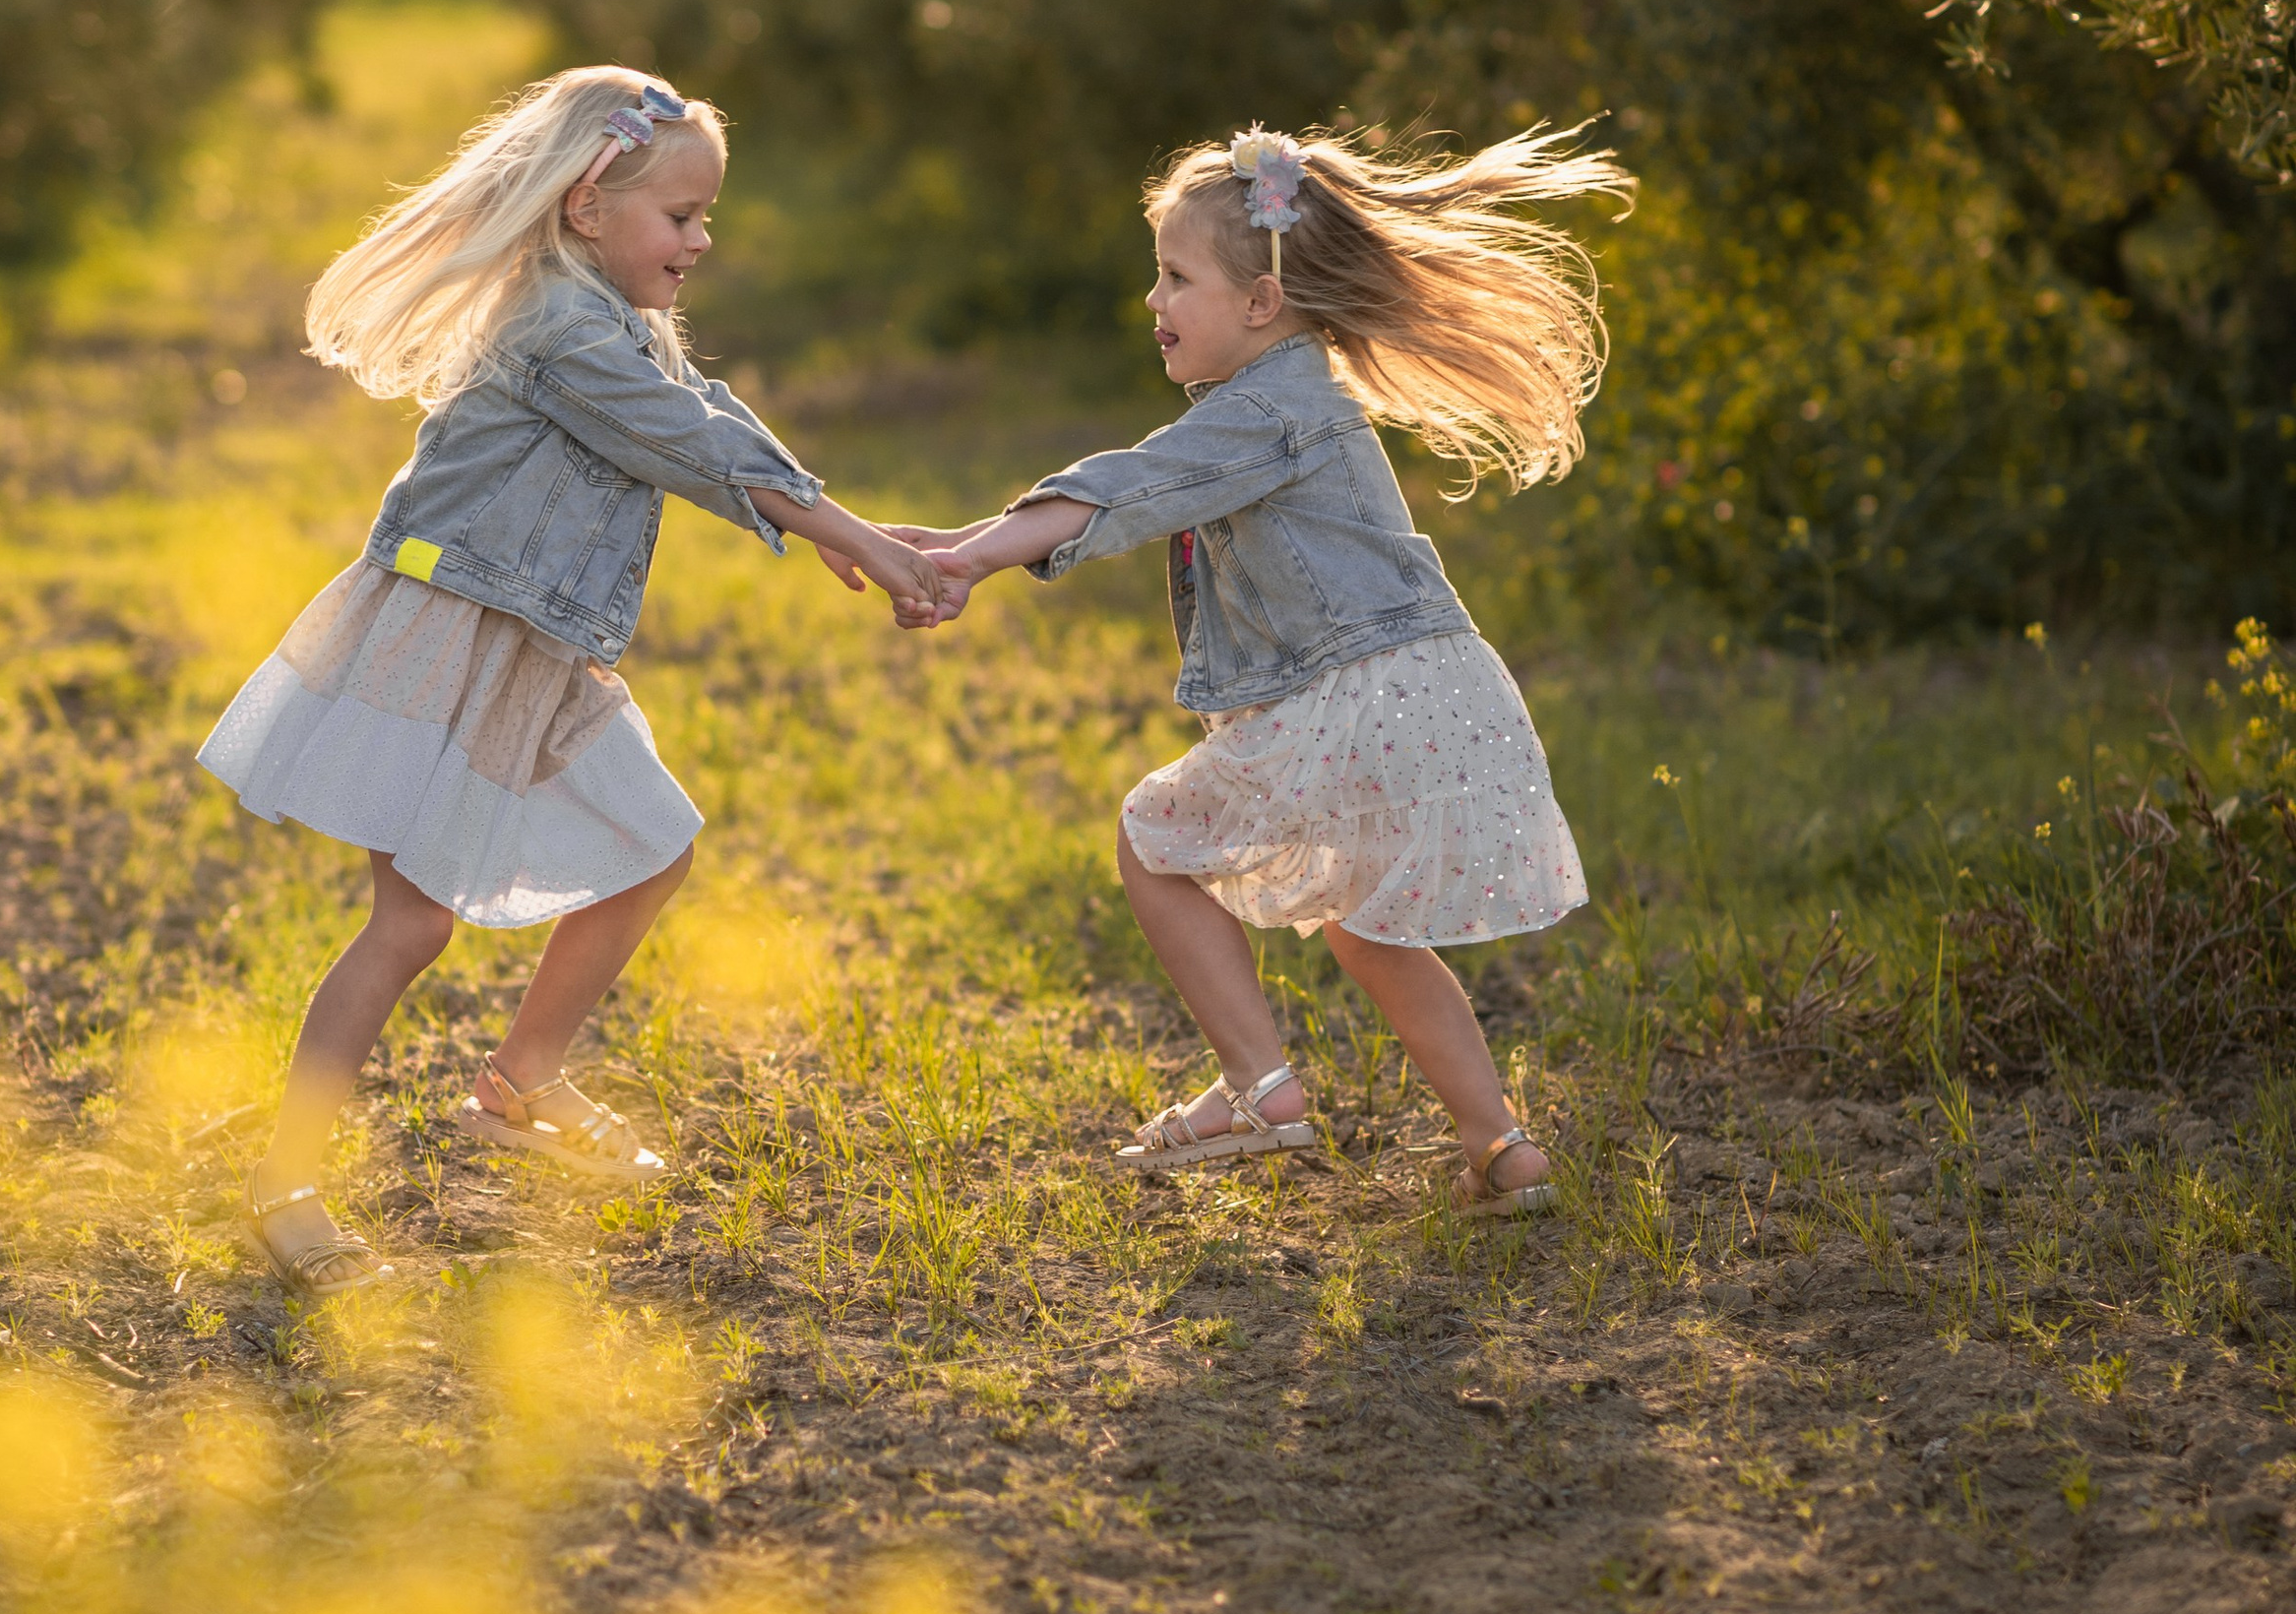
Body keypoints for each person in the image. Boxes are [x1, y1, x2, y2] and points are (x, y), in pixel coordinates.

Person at [197, 63, 954, 1293]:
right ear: (585, 205)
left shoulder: (613, 314)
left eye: (708, 215)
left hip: (541, 647)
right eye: (682, 215)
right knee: (410, 925)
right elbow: (689, 443)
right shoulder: (553, 325)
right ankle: (284, 1183)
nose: (701, 238)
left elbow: (709, 408)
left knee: (654, 847)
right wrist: (850, 537)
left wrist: (857, 526)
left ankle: (521, 1080)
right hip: (452, 634)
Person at [917, 124, 1629, 1213]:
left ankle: (1259, 1087)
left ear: (1259, 303)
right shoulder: (1285, 399)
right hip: (1441, 686)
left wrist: (968, 556)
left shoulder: (1265, 409)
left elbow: (1125, 487)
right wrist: (953, 545)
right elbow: (1136, 485)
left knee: (1153, 840)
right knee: (1370, 930)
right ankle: (1502, 1146)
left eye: (1174, 277)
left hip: (1368, 691)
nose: (1152, 300)